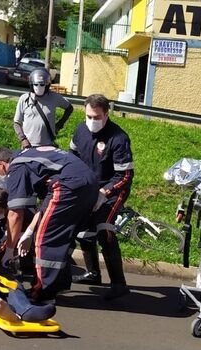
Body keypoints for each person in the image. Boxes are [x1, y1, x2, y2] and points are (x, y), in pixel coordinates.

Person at [0, 146, 97, 302]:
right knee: (60, 237)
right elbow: (46, 206)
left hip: (69, 185)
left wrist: (9, 250)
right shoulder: (30, 157)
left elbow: (15, 213)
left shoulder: (16, 167)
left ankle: (42, 292)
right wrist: (29, 232)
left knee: (45, 240)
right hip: (87, 184)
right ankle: (60, 284)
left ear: (1, 163)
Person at [70, 94, 134, 300]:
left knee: (103, 228)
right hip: (88, 186)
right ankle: (93, 273)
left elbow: (125, 175)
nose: (92, 121)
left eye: (97, 117)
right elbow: (71, 158)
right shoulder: (80, 130)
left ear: (106, 114)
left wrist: (104, 192)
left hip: (113, 189)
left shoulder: (119, 138)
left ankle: (119, 283)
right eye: (89, 116)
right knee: (82, 226)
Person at [13, 68, 73, 149]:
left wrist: (59, 125)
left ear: (47, 85)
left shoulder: (54, 97)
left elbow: (69, 108)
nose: (39, 87)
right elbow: (17, 123)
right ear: (31, 84)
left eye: (42, 85)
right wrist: (23, 139)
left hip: (47, 145)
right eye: (36, 84)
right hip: (29, 145)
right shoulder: (24, 99)